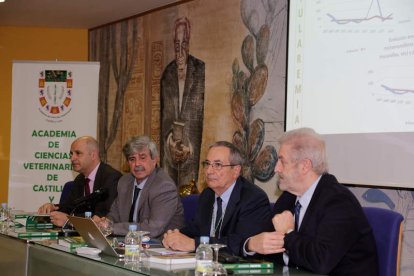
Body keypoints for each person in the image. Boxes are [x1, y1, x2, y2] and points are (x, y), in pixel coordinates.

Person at [245, 128, 378, 275]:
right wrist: (251, 245)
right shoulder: (288, 197)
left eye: (282, 161)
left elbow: (321, 262)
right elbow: (268, 246)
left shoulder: (339, 202)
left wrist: (288, 233)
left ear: (304, 166)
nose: (276, 168)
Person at [162, 141, 271, 256]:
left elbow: (239, 242)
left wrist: (195, 244)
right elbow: (195, 229)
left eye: (218, 165)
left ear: (236, 171)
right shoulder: (207, 195)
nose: (209, 171)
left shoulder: (253, 199)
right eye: (207, 164)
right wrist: (175, 236)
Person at [94, 135, 185, 238]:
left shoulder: (164, 186)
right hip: (130, 242)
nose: (137, 164)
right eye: (132, 159)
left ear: (154, 160)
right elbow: (114, 214)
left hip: (160, 245)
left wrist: (112, 228)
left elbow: (152, 229)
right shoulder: (125, 182)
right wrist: (104, 223)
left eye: (142, 157)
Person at [160, 16, 205, 187]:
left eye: (184, 45)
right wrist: (170, 140)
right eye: (176, 46)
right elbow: (165, 118)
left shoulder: (200, 70)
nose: (180, 53)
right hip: (170, 158)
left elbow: (201, 117)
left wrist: (189, 146)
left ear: (189, 42)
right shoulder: (168, 74)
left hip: (191, 155)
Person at [38, 136, 122, 227]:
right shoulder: (80, 179)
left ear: (93, 155)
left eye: (78, 153)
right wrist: (54, 207)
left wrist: (69, 220)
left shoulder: (112, 177)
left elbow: (103, 214)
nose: (72, 158)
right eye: (71, 154)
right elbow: (71, 207)